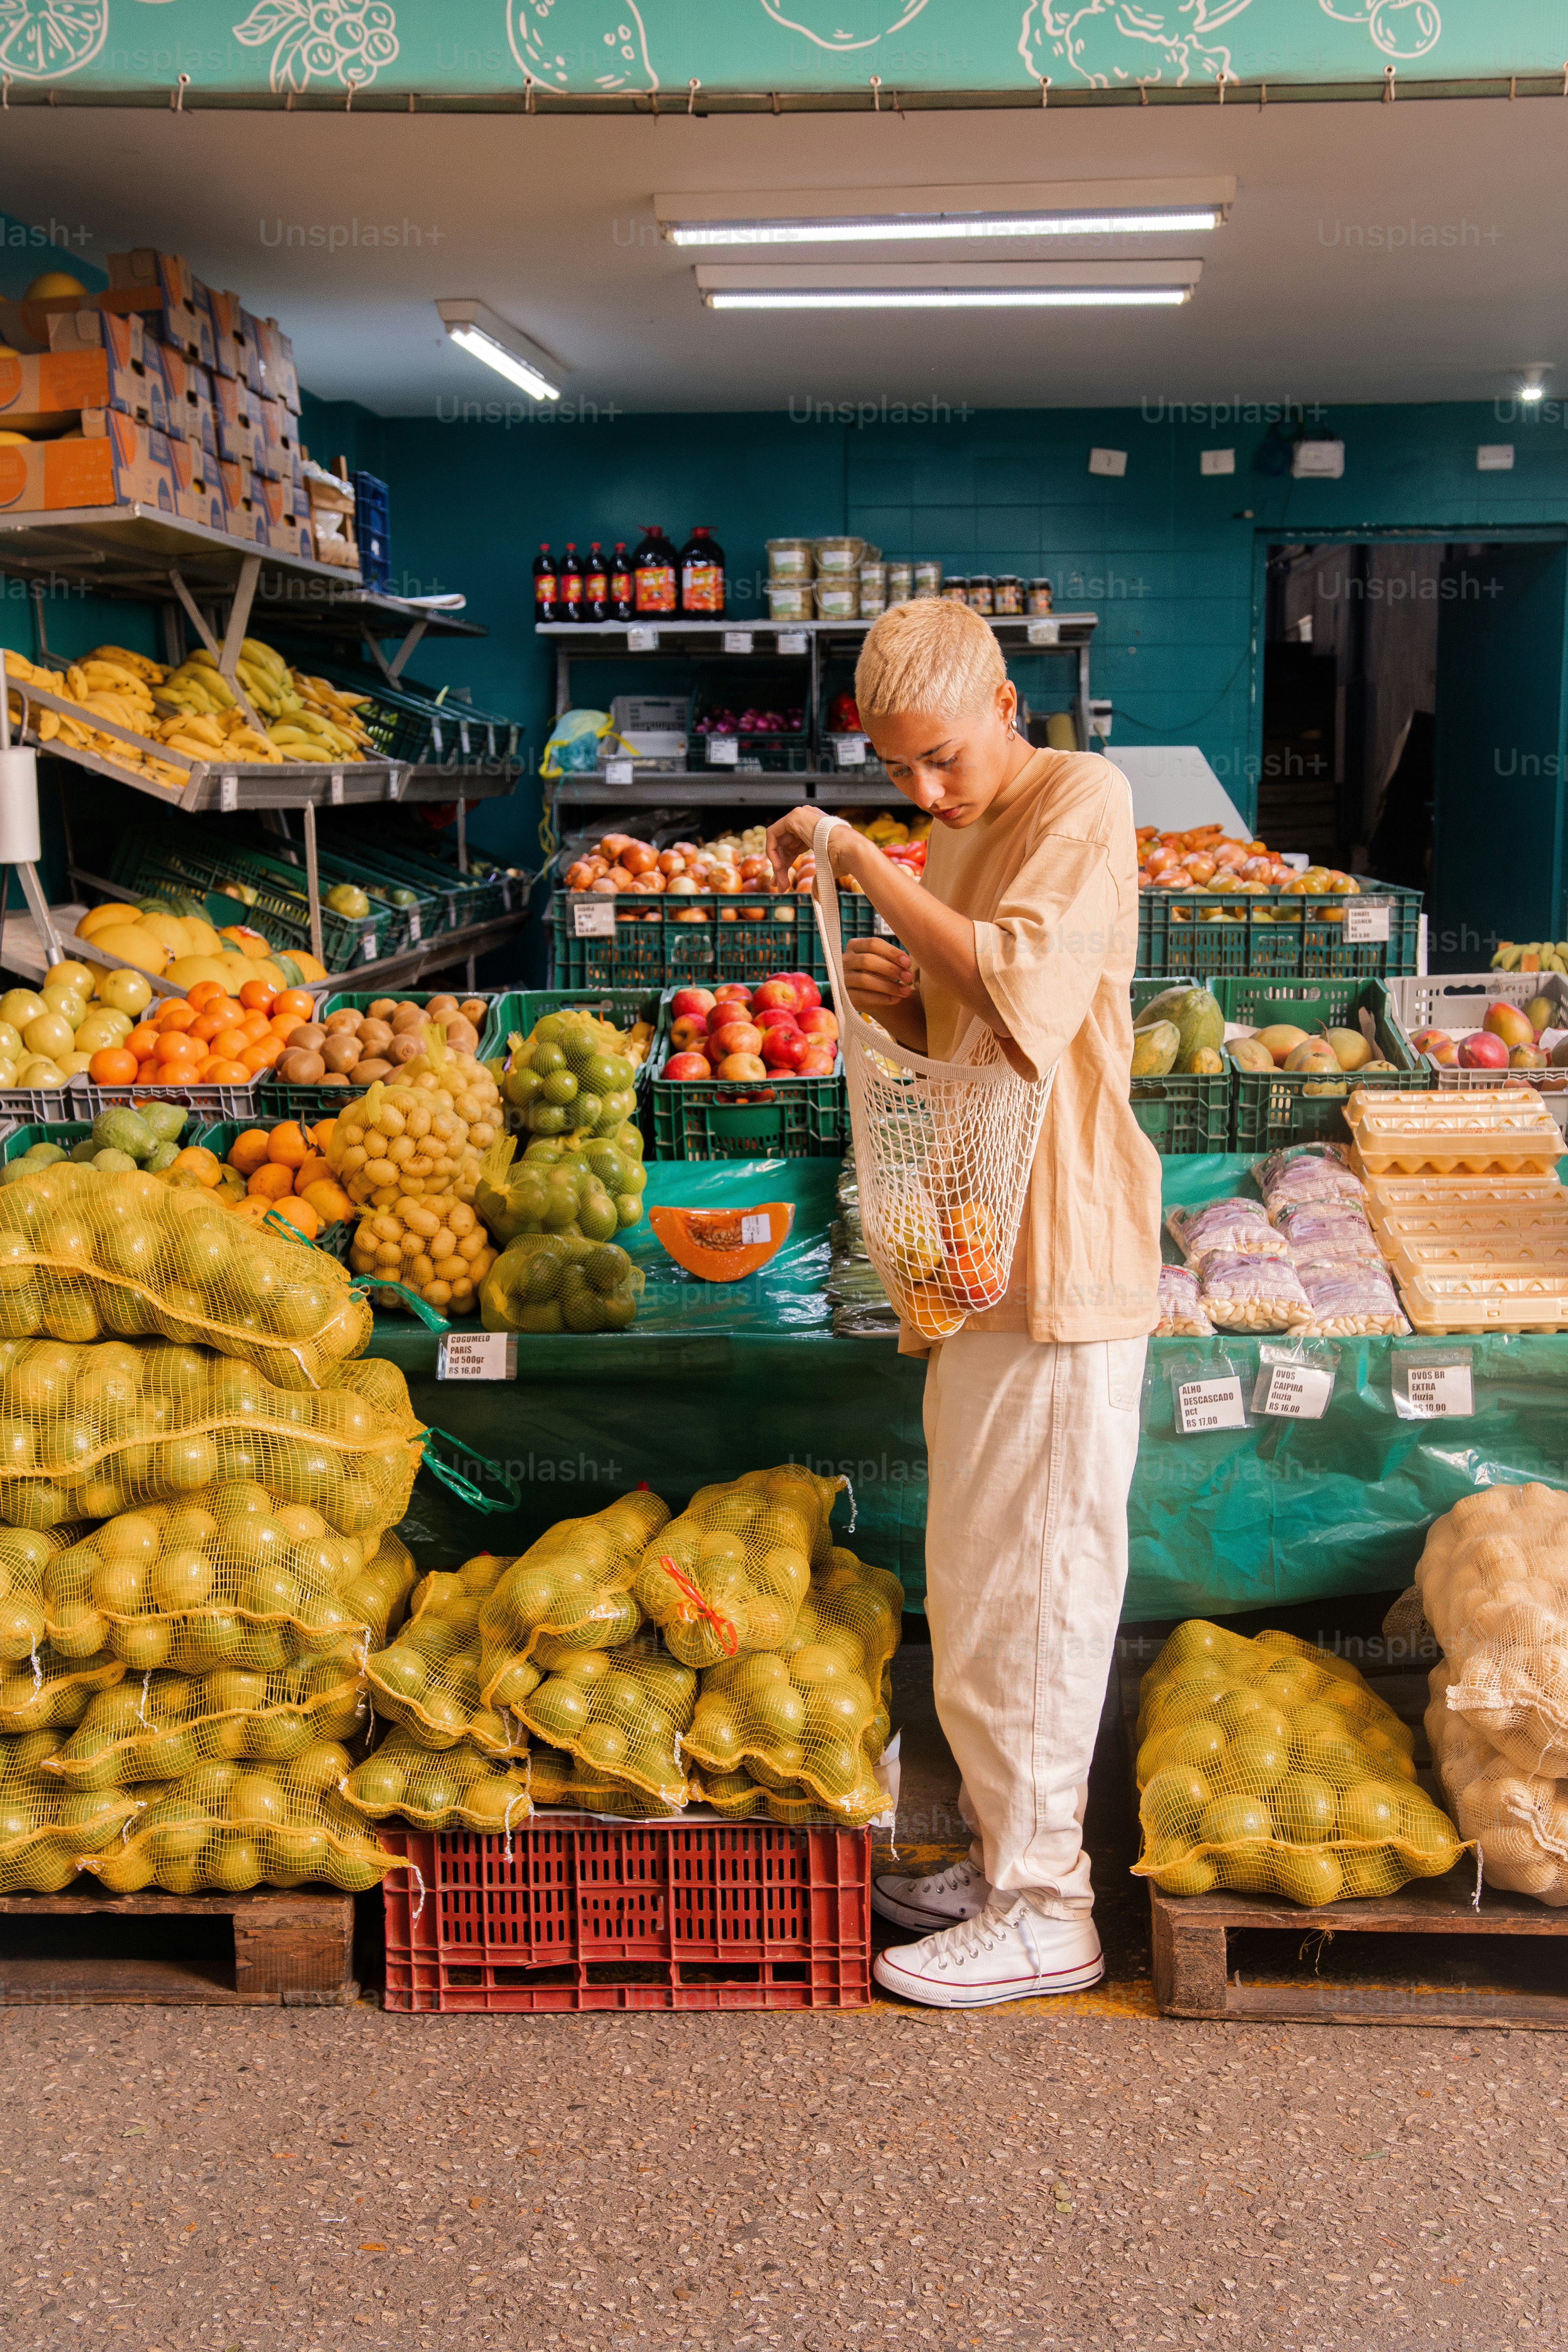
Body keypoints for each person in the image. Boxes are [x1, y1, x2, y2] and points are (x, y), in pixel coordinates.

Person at [765, 598, 1161, 2009]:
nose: (927, 791)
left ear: (1006, 703)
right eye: (898, 772)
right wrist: (890, 990)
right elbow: (967, 1027)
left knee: (1040, 1589)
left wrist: (865, 864)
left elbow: (1027, 990)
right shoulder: (958, 829)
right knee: (984, 1586)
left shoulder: (1083, 797)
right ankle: (1007, 1861)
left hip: (1063, 1262)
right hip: (982, 1254)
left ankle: (1052, 1908)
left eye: (944, 758)